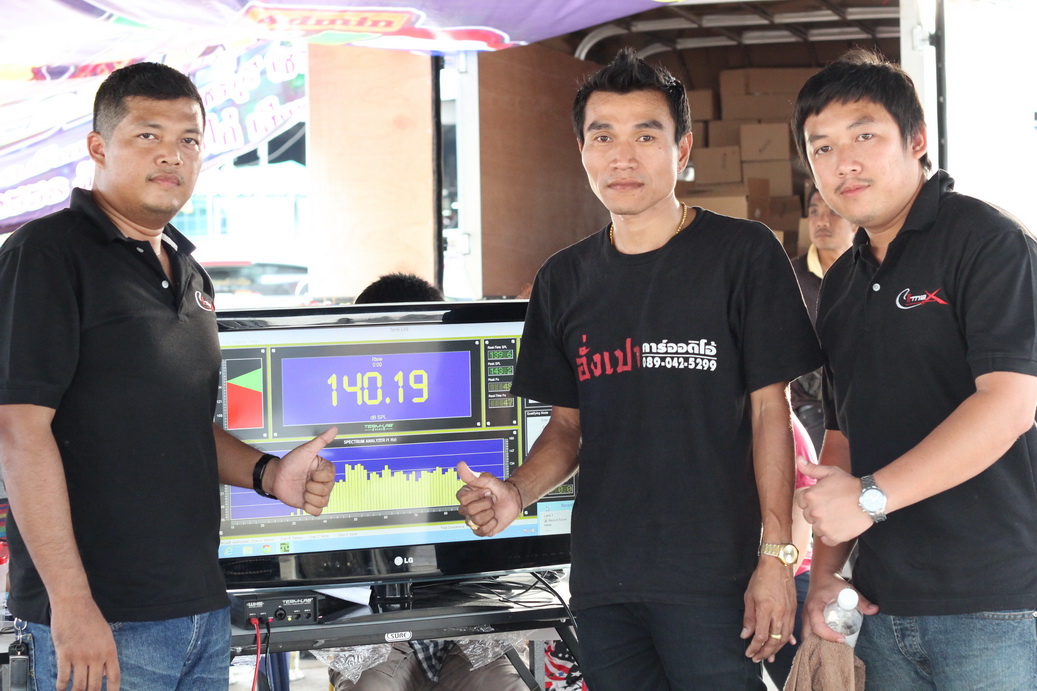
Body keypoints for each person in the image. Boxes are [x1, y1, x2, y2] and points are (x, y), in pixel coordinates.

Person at [456, 49, 822, 690]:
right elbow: (567, 429)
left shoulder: (743, 254)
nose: (622, 157)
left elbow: (773, 412)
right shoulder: (563, 279)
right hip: (605, 583)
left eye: (645, 136)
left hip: (718, 579)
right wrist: (515, 492)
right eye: (603, 137)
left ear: (682, 149)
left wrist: (775, 556)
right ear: (582, 151)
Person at [0, 62, 337, 690]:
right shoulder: (45, 254)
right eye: (148, 135)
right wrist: (71, 604)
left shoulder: (190, 271)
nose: (171, 155)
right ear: (98, 147)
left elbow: (179, 425)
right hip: (102, 619)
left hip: (200, 609)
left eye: (189, 140)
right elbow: (19, 432)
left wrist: (268, 474)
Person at [793, 49, 1037, 689]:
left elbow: (1009, 403)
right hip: (880, 606)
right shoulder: (842, 282)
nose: (843, 163)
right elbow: (842, 435)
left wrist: (869, 499)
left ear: (918, 139)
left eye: (864, 136)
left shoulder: (987, 242)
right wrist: (827, 575)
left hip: (996, 606)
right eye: (821, 148)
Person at [329, 272, 527, 691]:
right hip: (372, 620)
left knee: (503, 685)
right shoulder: (337, 430)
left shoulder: (482, 412)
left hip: (475, 606)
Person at [789, 189, 856, 454]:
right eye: (814, 212)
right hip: (812, 404)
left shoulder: (871, 275)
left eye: (833, 212)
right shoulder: (789, 277)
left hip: (866, 400)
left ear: (855, 221)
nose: (822, 221)